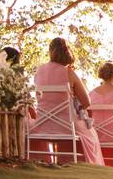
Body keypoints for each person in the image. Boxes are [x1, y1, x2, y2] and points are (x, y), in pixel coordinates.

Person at [31, 37, 104, 165]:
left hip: (42, 124)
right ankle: (80, 164)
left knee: (83, 127)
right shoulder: (69, 72)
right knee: (91, 132)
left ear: (50, 51)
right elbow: (87, 102)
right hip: (67, 126)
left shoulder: (38, 72)